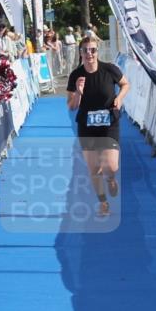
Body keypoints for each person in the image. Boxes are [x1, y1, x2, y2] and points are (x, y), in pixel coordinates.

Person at [66, 37, 130, 218]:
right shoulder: (75, 75)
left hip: (109, 123)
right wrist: (78, 92)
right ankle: (103, 202)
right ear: (80, 53)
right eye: (85, 50)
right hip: (87, 126)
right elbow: (71, 106)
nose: (89, 54)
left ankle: (110, 178)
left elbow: (126, 84)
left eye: (92, 50)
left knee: (111, 166)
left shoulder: (109, 69)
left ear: (97, 52)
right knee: (94, 169)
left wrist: (119, 98)